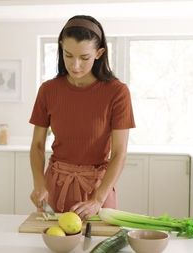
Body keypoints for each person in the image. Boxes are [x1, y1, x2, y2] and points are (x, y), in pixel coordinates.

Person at [29, 15, 135, 220]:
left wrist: (97, 199)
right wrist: (39, 185)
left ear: (99, 53)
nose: (75, 65)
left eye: (84, 58)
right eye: (68, 55)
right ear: (61, 49)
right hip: (55, 188)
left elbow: (119, 152)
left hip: (97, 190)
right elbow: (37, 145)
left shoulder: (117, 92)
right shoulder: (48, 90)